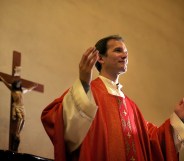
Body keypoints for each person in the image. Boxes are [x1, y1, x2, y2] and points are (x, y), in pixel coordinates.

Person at [41, 35, 184, 161]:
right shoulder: (88, 94)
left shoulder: (131, 106)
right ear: (101, 58)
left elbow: (152, 141)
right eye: (118, 50)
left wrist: (178, 118)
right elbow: (58, 120)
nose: (125, 55)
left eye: (126, 52)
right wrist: (84, 84)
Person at [0, 75, 37, 151]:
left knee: (24, 120)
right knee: (20, 118)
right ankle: (17, 133)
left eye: (19, 84)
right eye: (18, 83)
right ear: (15, 84)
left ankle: (18, 133)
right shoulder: (12, 90)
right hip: (16, 106)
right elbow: (6, 83)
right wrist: (1, 78)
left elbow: (28, 90)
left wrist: (33, 87)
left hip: (22, 106)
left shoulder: (21, 91)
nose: (19, 85)